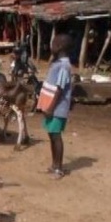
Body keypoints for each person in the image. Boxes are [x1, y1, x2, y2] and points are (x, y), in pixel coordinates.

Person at [41, 33, 73, 180]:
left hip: (57, 109)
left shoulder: (64, 66)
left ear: (59, 46)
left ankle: (59, 169)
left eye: (53, 43)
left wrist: (51, 108)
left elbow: (59, 89)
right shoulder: (58, 63)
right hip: (52, 108)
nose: (51, 46)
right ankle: (54, 165)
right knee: (52, 136)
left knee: (56, 137)